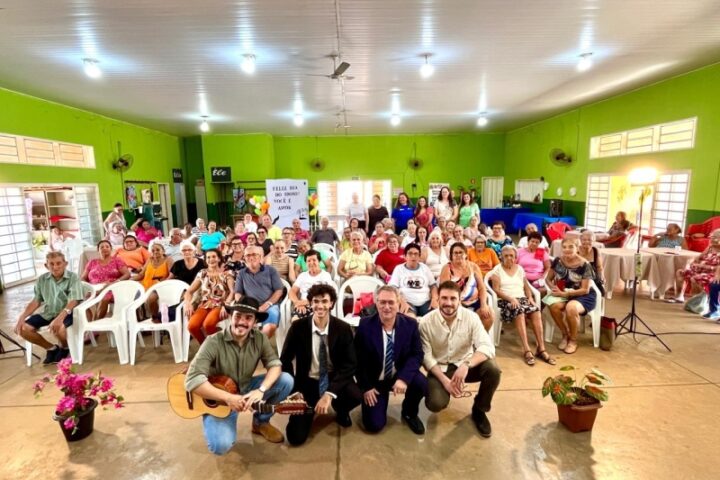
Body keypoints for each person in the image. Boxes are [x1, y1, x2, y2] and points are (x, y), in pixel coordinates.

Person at [184, 297, 294, 454]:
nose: (242, 322)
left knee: (286, 380)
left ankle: (260, 422)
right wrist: (228, 398)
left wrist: (261, 390)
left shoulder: (259, 338)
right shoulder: (213, 341)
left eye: (248, 318)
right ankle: (215, 418)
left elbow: (275, 365)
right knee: (220, 446)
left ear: (255, 322)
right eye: (238, 316)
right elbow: (192, 379)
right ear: (230, 316)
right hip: (220, 399)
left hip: (245, 388)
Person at [280, 284, 363, 445]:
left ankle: (341, 410)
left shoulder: (343, 328)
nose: (320, 306)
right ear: (310, 303)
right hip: (308, 381)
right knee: (295, 438)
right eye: (316, 301)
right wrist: (294, 390)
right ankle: (311, 409)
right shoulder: (298, 328)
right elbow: (285, 359)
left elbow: (350, 364)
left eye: (324, 301)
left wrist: (329, 394)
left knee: (355, 395)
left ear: (331, 303)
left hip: (333, 379)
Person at [419, 281, 501, 438]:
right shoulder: (426, 322)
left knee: (493, 370)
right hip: (440, 368)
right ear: (438, 299)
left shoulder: (471, 318)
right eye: (444, 298)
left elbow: (487, 346)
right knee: (435, 404)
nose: (448, 303)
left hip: (465, 366)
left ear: (459, 300)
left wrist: (466, 365)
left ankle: (479, 410)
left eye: (453, 298)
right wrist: (445, 382)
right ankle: (442, 390)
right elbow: (426, 357)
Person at [354, 285, 428, 434]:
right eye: (382, 302)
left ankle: (409, 412)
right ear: (376, 303)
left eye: (391, 302)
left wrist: (404, 379)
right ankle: (374, 405)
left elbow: (417, 354)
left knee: (421, 383)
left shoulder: (410, 324)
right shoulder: (364, 325)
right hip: (375, 381)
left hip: (398, 374)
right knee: (374, 425)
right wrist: (366, 387)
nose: (386, 307)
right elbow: (357, 360)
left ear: (398, 303)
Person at [14, 252, 86, 364]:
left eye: (58, 263)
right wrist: (21, 317)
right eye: (51, 264)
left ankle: (65, 347)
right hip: (49, 312)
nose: (55, 267)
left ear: (65, 264)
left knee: (59, 329)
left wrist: (59, 319)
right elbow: (36, 301)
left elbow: (74, 301)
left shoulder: (73, 277)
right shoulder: (42, 279)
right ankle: (51, 348)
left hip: (68, 312)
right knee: (23, 329)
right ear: (46, 265)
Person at [489, 246, 555, 366]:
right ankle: (526, 349)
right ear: (501, 257)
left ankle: (541, 348)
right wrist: (510, 299)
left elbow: (526, 286)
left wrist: (530, 298)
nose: (509, 258)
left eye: (511, 256)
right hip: (505, 301)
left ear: (515, 257)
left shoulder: (519, 268)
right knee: (520, 312)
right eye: (506, 256)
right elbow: (496, 290)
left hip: (522, 299)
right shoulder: (497, 270)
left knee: (536, 311)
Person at [544, 237, 598, 354]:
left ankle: (573, 340)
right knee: (553, 305)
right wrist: (553, 288)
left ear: (577, 248)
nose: (567, 249)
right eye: (564, 247)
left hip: (582, 295)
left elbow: (585, 289)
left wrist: (566, 293)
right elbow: (548, 279)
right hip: (563, 292)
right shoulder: (558, 261)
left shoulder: (585, 264)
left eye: (570, 247)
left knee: (571, 308)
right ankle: (565, 334)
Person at [185, 249, 236, 345]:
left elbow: (232, 292)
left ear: (219, 259)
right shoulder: (203, 273)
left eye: (214, 256)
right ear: (205, 260)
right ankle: (206, 347)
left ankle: (218, 347)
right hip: (204, 304)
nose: (211, 259)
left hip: (221, 305)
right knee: (192, 327)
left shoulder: (227, 273)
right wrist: (188, 304)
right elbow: (189, 291)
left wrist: (226, 305)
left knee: (208, 324)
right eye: (208, 257)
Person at [439, 243, 493, 331]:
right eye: (455, 253)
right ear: (451, 255)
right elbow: (445, 290)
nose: (458, 255)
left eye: (461, 252)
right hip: (455, 303)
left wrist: (484, 304)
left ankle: (481, 337)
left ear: (466, 254)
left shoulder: (473, 267)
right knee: (463, 318)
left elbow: (482, 288)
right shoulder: (447, 268)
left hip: (475, 301)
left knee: (488, 315)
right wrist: (459, 305)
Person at [234, 246, 284, 338]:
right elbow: (237, 293)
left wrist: (267, 304)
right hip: (249, 306)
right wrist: (245, 305)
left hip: (270, 305)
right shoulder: (241, 273)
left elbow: (279, 290)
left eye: (254, 255)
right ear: (244, 258)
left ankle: (258, 345)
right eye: (248, 255)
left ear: (261, 257)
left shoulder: (271, 270)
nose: (251, 257)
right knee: (238, 324)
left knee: (270, 326)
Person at [81, 240, 131, 319]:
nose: (104, 248)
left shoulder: (117, 260)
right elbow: (83, 278)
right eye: (102, 247)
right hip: (94, 288)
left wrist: (115, 282)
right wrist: (90, 287)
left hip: (111, 287)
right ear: (98, 250)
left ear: (111, 249)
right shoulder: (92, 262)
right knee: (80, 299)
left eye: (107, 247)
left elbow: (127, 274)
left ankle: (95, 324)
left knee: (105, 296)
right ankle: (88, 322)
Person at [671, 229, 720, 304]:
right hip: (700, 270)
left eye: (714, 238)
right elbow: (698, 258)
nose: (711, 239)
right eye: (711, 237)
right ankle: (679, 297)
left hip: (713, 274)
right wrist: (693, 262)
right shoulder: (710, 247)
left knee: (695, 278)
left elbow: (717, 269)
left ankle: (698, 303)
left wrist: (703, 266)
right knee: (680, 272)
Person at [389, 243, 438, 317]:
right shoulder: (399, 269)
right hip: (407, 302)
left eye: (416, 254)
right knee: (411, 319)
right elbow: (393, 288)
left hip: (426, 302)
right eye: (410, 254)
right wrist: (401, 301)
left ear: (419, 257)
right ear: (405, 256)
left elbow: (433, 285)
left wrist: (434, 299)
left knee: (434, 317)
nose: (413, 256)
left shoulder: (425, 268)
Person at [288, 250, 335, 319]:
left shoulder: (325, 275)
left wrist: (305, 302)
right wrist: (297, 303)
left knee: (315, 320)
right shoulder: (302, 275)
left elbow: (327, 295)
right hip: (303, 306)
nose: (311, 263)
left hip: (319, 305)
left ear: (319, 261)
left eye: (314, 260)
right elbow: (292, 292)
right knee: (295, 320)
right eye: (308, 261)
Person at [578, 230, 605, 297]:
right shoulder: (576, 250)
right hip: (578, 278)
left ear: (594, 241)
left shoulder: (596, 251)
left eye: (589, 240)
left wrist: (602, 276)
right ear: (580, 240)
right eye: (584, 240)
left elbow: (599, 267)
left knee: (600, 292)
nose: (587, 242)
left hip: (593, 278)